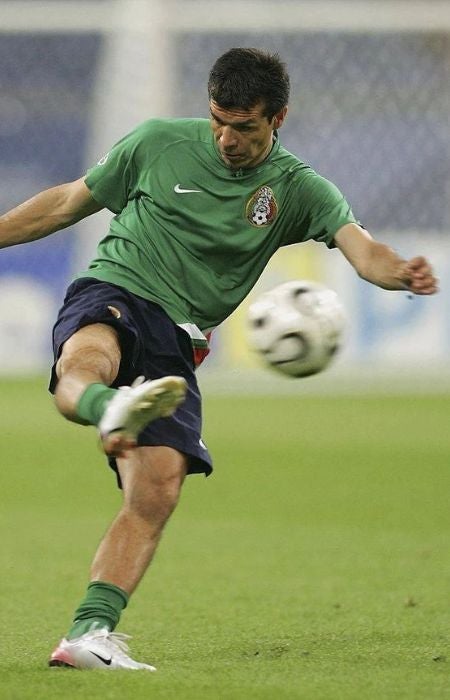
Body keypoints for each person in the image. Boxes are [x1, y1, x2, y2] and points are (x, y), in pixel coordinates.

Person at [0, 48, 438, 671]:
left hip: (179, 340)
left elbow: (363, 252)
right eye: (219, 122)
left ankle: (88, 635)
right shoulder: (156, 143)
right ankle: (110, 405)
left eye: (245, 128)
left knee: (157, 489)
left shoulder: (298, 189)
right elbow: (68, 201)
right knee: (87, 356)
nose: (228, 139)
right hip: (119, 286)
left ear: (277, 119)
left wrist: (401, 272)